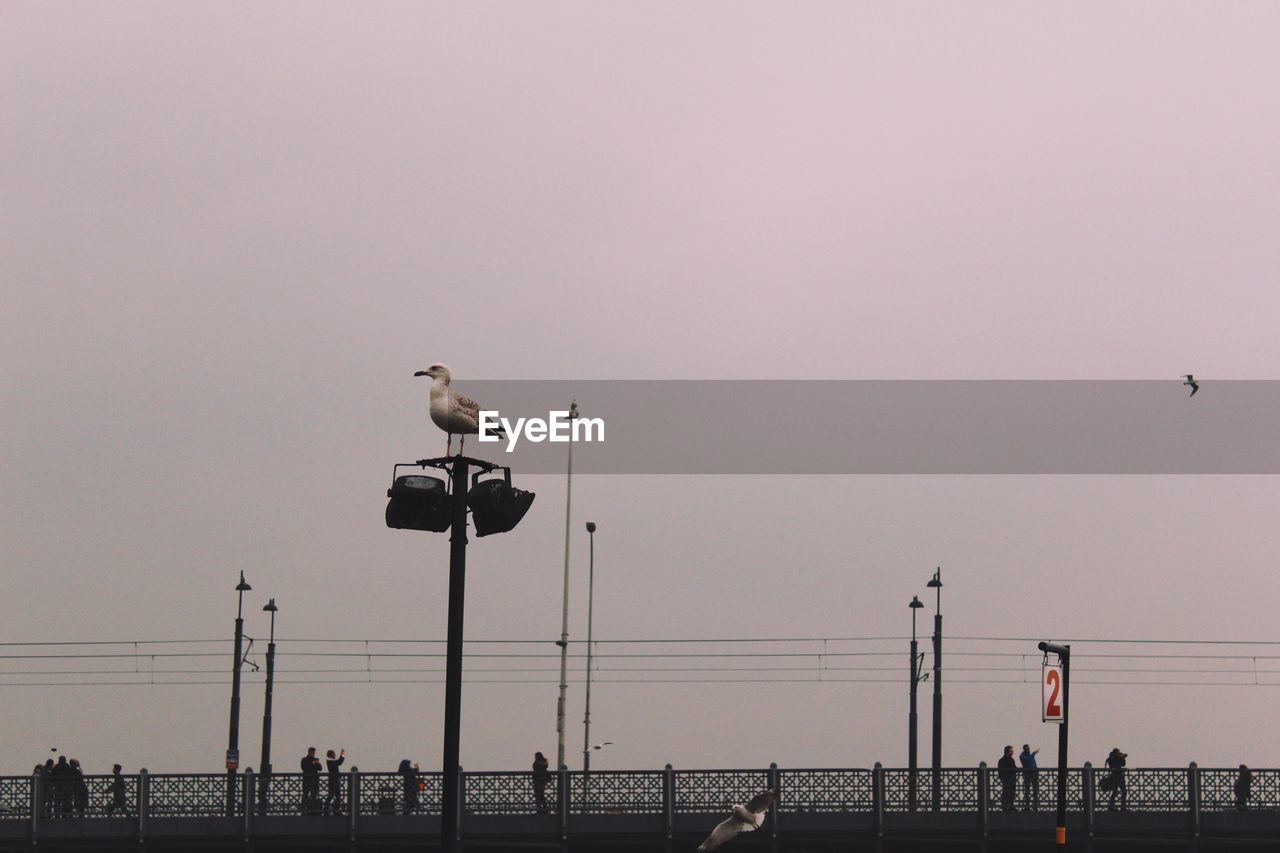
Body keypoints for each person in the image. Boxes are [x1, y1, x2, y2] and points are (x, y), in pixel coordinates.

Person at [300, 747, 322, 814]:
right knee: (305, 794)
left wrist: (318, 763)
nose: (313, 754)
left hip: (314, 780)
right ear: (309, 752)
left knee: (314, 794)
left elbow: (320, 769)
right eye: (312, 752)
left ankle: (312, 809)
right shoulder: (304, 759)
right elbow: (304, 767)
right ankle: (303, 809)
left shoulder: (315, 759)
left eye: (314, 752)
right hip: (307, 780)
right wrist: (313, 763)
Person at [325, 749, 346, 815]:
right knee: (333, 795)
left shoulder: (330, 761)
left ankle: (333, 809)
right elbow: (339, 762)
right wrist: (342, 754)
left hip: (334, 780)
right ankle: (331, 809)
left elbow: (338, 762)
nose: (335, 755)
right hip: (334, 781)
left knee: (335, 796)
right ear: (331, 755)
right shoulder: (330, 761)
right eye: (334, 754)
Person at [1019, 744, 1040, 811]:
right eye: (1027, 749)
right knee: (1027, 790)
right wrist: (1034, 753)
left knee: (1035, 790)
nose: (1028, 750)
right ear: (1024, 749)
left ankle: (1035, 806)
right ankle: (1027, 806)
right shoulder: (1022, 755)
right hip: (1027, 774)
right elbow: (1027, 760)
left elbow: (1033, 763)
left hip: (1034, 774)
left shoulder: (1030, 755)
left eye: (1029, 749)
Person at [997, 746, 1018, 811]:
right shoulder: (1009, 760)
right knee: (1008, 792)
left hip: (1008, 779)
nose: (1012, 752)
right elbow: (1014, 769)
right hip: (1008, 779)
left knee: (1008, 792)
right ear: (1008, 751)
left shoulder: (1002, 760)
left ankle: (1006, 806)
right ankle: (1009, 806)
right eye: (1011, 751)